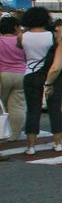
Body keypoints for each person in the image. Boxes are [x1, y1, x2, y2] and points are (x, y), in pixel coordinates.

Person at [18, 6, 62, 154]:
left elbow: (22, 50)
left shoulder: (22, 36)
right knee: (55, 109)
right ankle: (58, 144)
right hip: (51, 75)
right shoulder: (53, 36)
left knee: (33, 110)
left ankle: (31, 146)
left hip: (31, 74)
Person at [0, 16, 27, 145]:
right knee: (18, 106)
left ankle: (2, 131)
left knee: (1, 105)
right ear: (15, 27)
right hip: (21, 74)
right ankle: (14, 134)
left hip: (3, 75)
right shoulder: (22, 40)